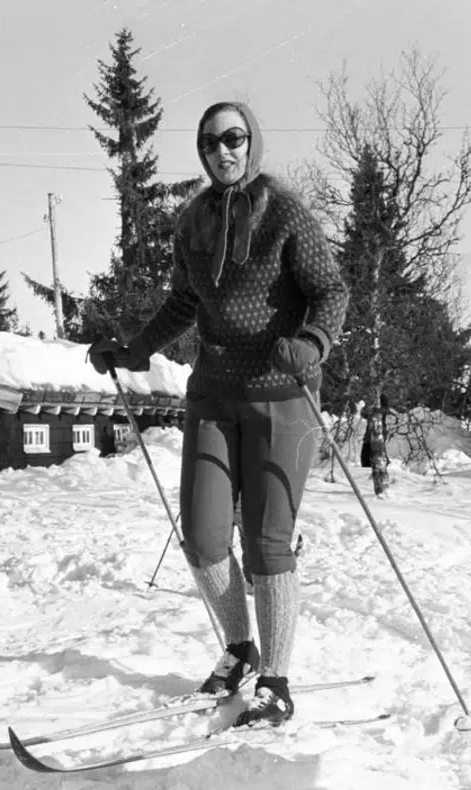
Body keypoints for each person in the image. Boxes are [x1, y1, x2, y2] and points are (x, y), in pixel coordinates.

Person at [89, 102, 348, 728]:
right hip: (213, 393)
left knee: (266, 544)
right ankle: (239, 649)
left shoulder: (284, 210)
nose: (222, 151)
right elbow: (185, 300)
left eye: (234, 138)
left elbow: (331, 290)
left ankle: (277, 682)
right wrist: (136, 349)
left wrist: (312, 342)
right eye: (210, 142)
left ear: (252, 141)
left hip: (283, 396)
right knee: (204, 538)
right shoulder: (193, 220)